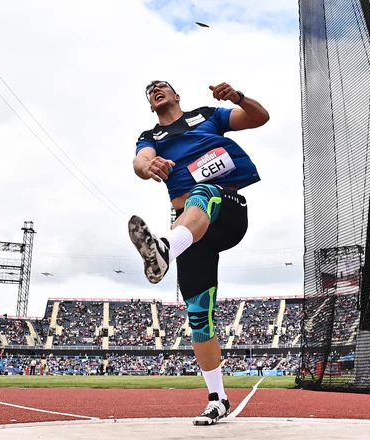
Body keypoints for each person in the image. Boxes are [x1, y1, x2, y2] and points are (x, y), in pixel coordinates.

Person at [128, 80, 269, 425]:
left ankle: (164, 250)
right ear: (151, 105)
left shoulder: (207, 116)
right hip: (188, 229)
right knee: (198, 314)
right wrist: (149, 168)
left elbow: (260, 117)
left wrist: (236, 97)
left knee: (202, 190)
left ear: (177, 96)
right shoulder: (150, 138)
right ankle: (217, 398)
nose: (156, 90)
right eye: (151, 91)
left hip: (226, 210)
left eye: (162, 86)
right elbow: (139, 161)